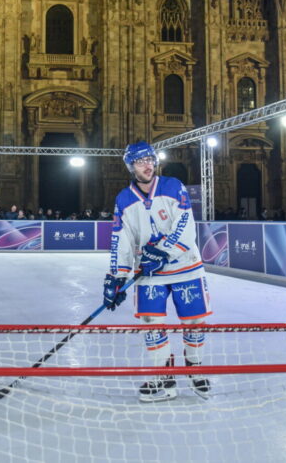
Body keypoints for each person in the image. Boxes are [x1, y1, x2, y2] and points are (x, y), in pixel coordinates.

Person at [103, 141, 211, 403]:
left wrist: (163, 251)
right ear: (131, 167)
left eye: (150, 159)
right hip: (149, 274)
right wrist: (117, 276)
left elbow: (185, 223)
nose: (147, 165)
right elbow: (122, 238)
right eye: (140, 162)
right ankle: (164, 375)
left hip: (186, 266)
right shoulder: (124, 199)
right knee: (152, 323)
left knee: (194, 322)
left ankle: (195, 367)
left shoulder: (173, 186)